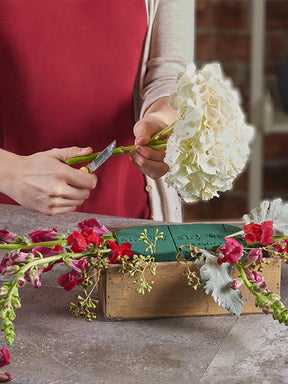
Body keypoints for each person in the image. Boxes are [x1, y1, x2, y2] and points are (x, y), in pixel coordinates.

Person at [0, 0, 194, 221]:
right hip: (9, 216)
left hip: (128, 216)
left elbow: (170, 72)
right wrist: (10, 173)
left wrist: (162, 118)